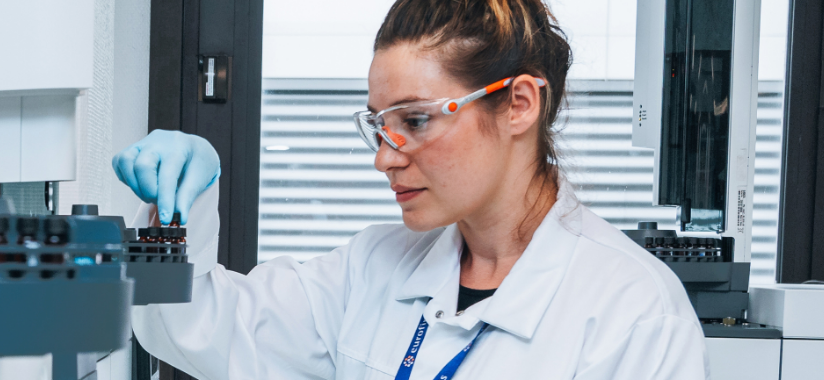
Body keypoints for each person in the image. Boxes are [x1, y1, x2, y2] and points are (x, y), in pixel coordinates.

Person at [111, 0, 706, 379]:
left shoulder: (634, 316)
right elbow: (194, 328)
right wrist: (175, 214)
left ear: (519, 104)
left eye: (416, 121)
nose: (384, 158)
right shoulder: (374, 271)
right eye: (379, 123)